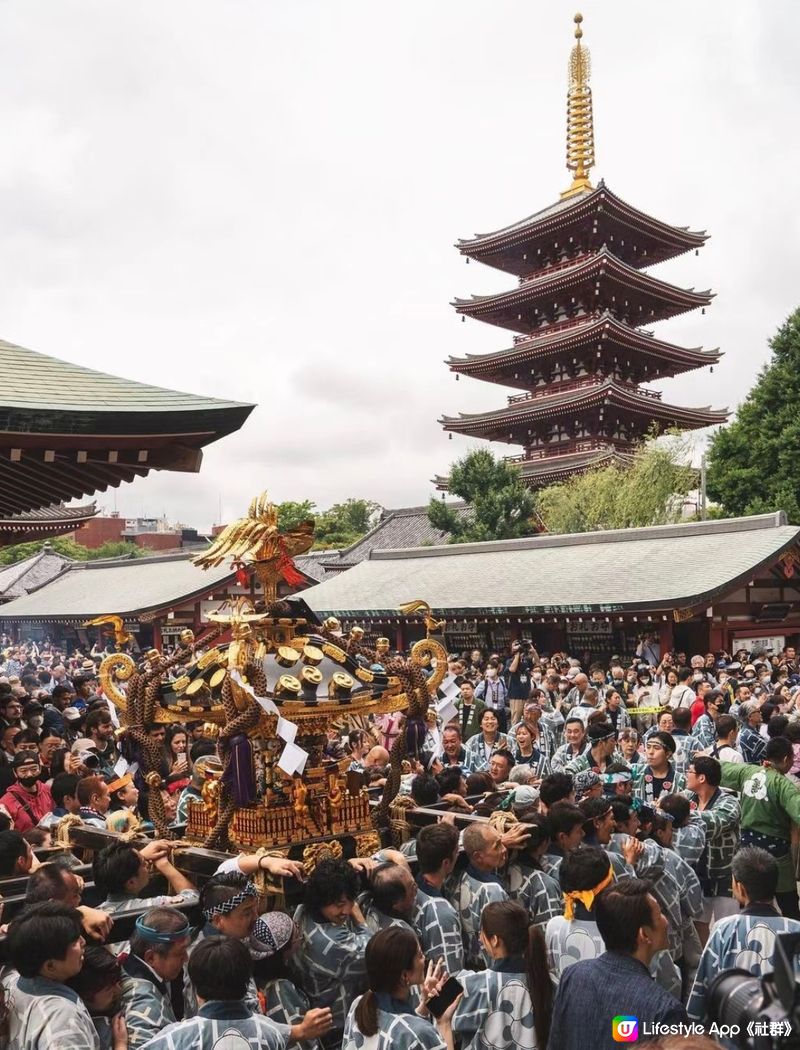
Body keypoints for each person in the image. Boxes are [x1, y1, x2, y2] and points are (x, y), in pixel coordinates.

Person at [547, 879, 687, 1050]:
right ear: (644, 934)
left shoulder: (573, 976)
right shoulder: (665, 1010)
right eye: (660, 915)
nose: (666, 921)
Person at [143, 934, 331, 1050]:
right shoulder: (267, 1032)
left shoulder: (178, 1038)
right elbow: (287, 1035)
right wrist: (304, 1030)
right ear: (246, 983)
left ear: (196, 987)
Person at [687, 846, 800, 1022]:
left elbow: (702, 991)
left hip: (734, 1032)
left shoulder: (723, 929)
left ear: (740, 888)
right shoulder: (795, 930)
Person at [451, 900, 552, 1050]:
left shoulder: (467, 984)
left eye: (482, 932)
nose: (480, 938)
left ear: (495, 940)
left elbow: (437, 1021)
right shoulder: (549, 983)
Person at [293, 857, 373, 1046]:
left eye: (351, 901)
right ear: (321, 901)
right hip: (337, 1032)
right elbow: (376, 953)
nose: (347, 910)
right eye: (339, 904)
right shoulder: (330, 942)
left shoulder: (302, 912)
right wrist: (361, 921)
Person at [719, 736, 800, 919]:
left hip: (748, 850)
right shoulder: (784, 785)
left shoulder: (748, 771)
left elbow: (719, 770)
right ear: (787, 759)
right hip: (776, 854)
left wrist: (702, 760)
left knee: (747, 898)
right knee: (789, 905)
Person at [1, 901, 99, 1050]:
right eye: (74, 941)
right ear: (50, 966)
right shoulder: (62, 1021)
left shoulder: (9, 979)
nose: (83, 942)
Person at [343, 926, 458, 1050]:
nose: (424, 958)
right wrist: (443, 1023)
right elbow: (410, 1032)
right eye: (419, 955)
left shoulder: (359, 1004)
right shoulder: (419, 1034)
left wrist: (424, 1007)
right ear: (404, 975)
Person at [249, 911, 330, 1050]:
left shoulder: (252, 978)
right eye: (296, 935)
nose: (300, 936)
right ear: (285, 950)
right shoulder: (280, 989)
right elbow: (300, 1040)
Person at [684, 756, 741, 942]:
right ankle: (703, 964)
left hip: (724, 877)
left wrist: (680, 813)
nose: (686, 775)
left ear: (702, 778)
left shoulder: (729, 802)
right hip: (696, 876)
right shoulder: (687, 798)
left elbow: (714, 822)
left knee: (728, 928)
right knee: (698, 925)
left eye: (690, 771)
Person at [119, 907, 192, 1048]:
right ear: (151, 957)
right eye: (180, 953)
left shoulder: (131, 961)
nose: (186, 958)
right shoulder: (144, 999)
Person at [446, 822, 509, 968]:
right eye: (497, 846)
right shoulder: (492, 891)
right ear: (478, 856)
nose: (504, 849)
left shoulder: (460, 876)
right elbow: (497, 944)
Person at [94, 840, 199, 915]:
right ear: (131, 883)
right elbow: (193, 898)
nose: (148, 864)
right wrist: (163, 864)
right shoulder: (156, 906)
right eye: (144, 864)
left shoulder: (94, 914)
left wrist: (139, 859)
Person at [413, 822, 464, 973]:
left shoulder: (416, 883)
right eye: (456, 851)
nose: (459, 854)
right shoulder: (441, 914)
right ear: (446, 863)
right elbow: (449, 972)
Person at [66, 944, 127, 1050]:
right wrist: (121, 1044)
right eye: (109, 987)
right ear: (87, 994)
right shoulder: (77, 1031)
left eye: (118, 980)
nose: (118, 990)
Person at [0, 751, 55, 832]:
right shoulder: (6, 802)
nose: (29, 774)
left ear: (39, 769)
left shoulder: (49, 790)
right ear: (15, 773)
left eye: (33, 769)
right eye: (23, 771)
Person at [630, 731, 685, 803]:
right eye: (648, 747)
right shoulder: (634, 771)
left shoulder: (680, 780)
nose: (650, 752)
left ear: (668, 754)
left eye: (656, 748)